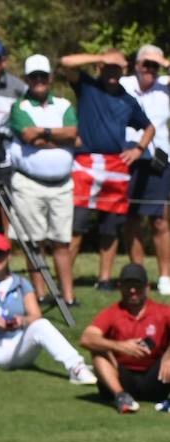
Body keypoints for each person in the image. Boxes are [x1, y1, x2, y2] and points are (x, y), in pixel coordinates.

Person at [60, 50, 154, 290]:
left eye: (117, 68)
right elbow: (66, 62)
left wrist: (138, 149)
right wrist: (100, 57)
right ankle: (64, 281)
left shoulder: (127, 99)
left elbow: (149, 127)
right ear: (100, 68)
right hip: (86, 164)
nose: (112, 71)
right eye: (108, 67)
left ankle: (104, 279)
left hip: (116, 166)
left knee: (110, 228)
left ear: (123, 71)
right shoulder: (88, 87)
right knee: (76, 226)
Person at [0, 232, 95, 384]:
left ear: (9, 256)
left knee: (42, 325)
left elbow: (36, 315)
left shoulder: (22, 283)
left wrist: (21, 321)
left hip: (17, 346)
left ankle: (77, 367)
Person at [8, 55, 78, 305]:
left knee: (62, 242)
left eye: (43, 76)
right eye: (34, 77)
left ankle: (68, 296)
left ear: (50, 78)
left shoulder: (63, 105)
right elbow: (27, 135)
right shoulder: (20, 107)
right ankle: (39, 293)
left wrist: (44, 134)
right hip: (29, 183)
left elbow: (74, 134)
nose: (39, 81)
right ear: (27, 79)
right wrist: (60, 139)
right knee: (33, 242)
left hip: (61, 183)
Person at [78, 262, 170, 413]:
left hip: (156, 376)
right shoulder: (112, 313)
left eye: (137, 286)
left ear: (147, 287)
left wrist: (168, 356)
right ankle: (121, 397)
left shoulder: (162, 311)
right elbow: (87, 338)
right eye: (128, 286)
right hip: (122, 376)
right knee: (98, 350)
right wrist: (120, 346)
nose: (133, 291)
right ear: (120, 287)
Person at [119, 46, 170, 295]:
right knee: (131, 218)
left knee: (160, 220)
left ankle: (165, 276)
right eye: (145, 64)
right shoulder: (124, 83)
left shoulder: (165, 85)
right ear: (136, 65)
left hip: (159, 158)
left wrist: (163, 62)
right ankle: (137, 273)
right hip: (128, 156)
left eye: (154, 66)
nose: (150, 70)